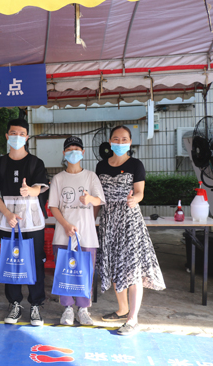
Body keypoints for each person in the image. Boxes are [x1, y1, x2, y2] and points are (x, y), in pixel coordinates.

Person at [96, 125, 165, 335]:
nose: (120, 142)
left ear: (130, 142)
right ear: (110, 142)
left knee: (132, 269)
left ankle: (133, 319)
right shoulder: (101, 166)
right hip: (108, 222)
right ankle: (122, 309)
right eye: (116, 139)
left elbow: (140, 192)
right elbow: (98, 197)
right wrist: (91, 220)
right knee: (115, 266)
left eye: (124, 139)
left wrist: (135, 199)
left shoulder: (136, 164)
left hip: (129, 222)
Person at [0, 118, 49, 326]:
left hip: (32, 221)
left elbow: (39, 189)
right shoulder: (0, 164)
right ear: (7, 136)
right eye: (13, 133)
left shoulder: (35, 163)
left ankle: (36, 304)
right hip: (9, 221)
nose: (17, 137)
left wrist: (29, 190)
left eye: (21, 134)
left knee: (35, 262)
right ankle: (14, 303)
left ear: (27, 137)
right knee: (11, 260)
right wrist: (7, 214)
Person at [48, 136, 105, 326]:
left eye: (77, 149)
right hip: (63, 235)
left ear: (83, 152)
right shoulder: (58, 178)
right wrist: (65, 225)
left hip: (86, 236)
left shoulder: (91, 176)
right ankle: (67, 308)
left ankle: (83, 309)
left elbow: (99, 201)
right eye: (70, 149)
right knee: (64, 272)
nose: (74, 152)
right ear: (64, 153)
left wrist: (90, 200)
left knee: (85, 273)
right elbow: (53, 206)